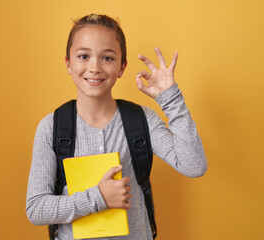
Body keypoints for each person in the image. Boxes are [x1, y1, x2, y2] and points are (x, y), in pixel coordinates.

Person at [26, 14, 208, 240]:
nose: (94, 67)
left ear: (122, 67)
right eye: (83, 56)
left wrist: (171, 100)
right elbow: (36, 208)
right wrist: (98, 198)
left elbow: (194, 166)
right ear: (68, 63)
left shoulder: (142, 120)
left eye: (108, 58)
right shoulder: (51, 127)